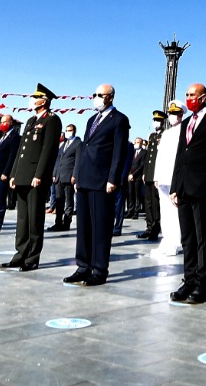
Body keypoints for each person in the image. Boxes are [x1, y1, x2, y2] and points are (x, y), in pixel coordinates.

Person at [68, 84, 131, 286]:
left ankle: (99, 269)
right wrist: (77, 175)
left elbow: (119, 152)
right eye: (94, 94)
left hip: (102, 180)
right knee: (84, 226)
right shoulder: (91, 120)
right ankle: (83, 266)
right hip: (85, 178)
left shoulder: (119, 120)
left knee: (100, 227)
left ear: (110, 97)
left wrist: (113, 178)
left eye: (99, 95)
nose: (95, 98)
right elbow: (86, 148)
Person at [170, 83, 206, 304]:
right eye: (186, 95)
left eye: (192, 95)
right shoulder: (186, 123)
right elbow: (179, 156)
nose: (189, 98)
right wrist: (175, 187)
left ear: (203, 97)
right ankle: (189, 279)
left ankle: (202, 284)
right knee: (188, 238)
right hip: (184, 188)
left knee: (203, 237)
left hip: (203, 190)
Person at [4, 84, 62, 271]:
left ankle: (32, 258)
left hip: (35, 177)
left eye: (35, 97)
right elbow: (21, 150)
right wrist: (14, 174)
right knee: (22, 219)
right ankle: (20, 254)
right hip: (22, 175)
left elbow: (48, 150)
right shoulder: (30, 120)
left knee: (35, 218)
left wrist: (39, 175)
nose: (31, 100)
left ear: (43, 101)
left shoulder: (52, 120)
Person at [153, 102, 185, 260]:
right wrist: (156, 176)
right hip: (163, 177)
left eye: (176, 113)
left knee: (175, 211)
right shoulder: (166, 133)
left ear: (181, 114)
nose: (173, 116)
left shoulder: (184, 132)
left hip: (175, 178)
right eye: (171, 113)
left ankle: (175, 242)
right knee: (164, 211)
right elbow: (160, 157)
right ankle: (166, 240)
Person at [138, 112, 166, 240]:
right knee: (148, 202)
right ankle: (149, 227)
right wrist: (144, 172)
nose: (155, 122)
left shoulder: (165, 135)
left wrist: (159, 175)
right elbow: (148, 156)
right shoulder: (152, 136)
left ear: (163, 122)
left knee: (156, 204)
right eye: (154, 120)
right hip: (149, 174)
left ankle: (155, 227)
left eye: (158, 120)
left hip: (157, 174)